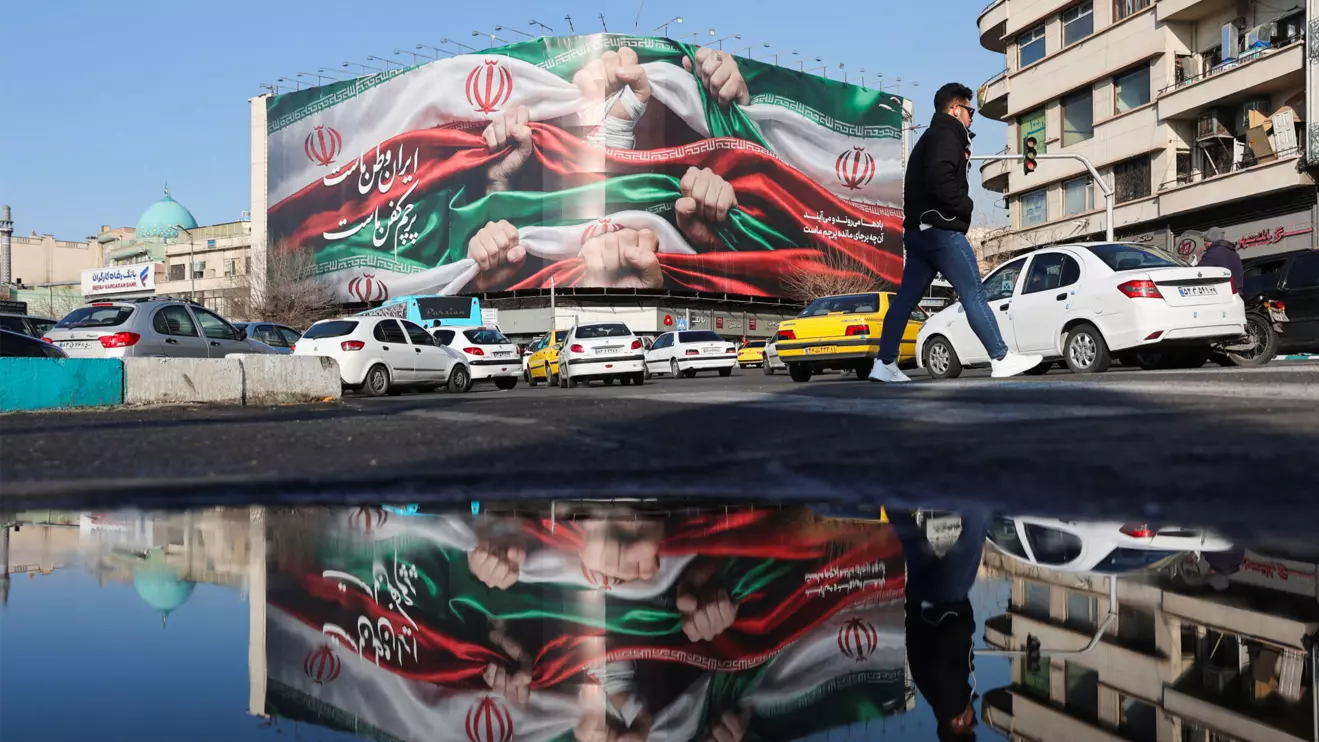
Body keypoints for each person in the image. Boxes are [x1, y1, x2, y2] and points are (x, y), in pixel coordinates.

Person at [870, 83, 1043, 383]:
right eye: (969, 111)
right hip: (942, 232)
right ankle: (1001, 357)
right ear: (954, 109)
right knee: (973, 293)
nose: (972, 118)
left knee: (905, 300)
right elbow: (940, 179)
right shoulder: (945, 136)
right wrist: (964, 207)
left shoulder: (929, 137)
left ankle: (884, 363)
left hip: (918, 233)